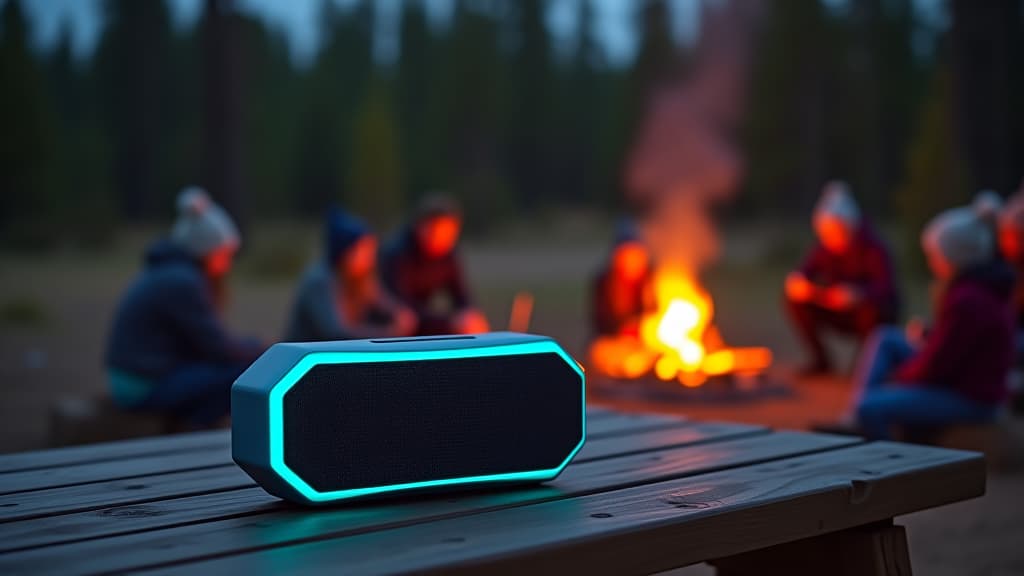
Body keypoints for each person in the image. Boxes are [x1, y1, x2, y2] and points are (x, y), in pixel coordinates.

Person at [850, 194, 1013, 440]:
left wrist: (898, 379)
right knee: (887, 338)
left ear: (954, 256)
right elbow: (954, 346)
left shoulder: (967, 299)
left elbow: (936, 367)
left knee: (869, 407)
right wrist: (932, 335)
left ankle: (890, 459)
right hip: (960, 378)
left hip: (971, 397)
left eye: (935, 254)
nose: (932, 262)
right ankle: (856, 419)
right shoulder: (974, 285)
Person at [105, 187, 263, 428]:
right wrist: (262, 353)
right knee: (243, 374)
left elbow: (204, 343)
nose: (228, 262)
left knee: (244, 358)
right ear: (206, 252)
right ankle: (193, 430)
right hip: (141, 383)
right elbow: (217, 347)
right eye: (224, 254)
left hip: (140, 373)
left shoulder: (172, 272)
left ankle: (192, 424)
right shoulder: (182, 282)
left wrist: (253, 347)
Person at [784, 181, 900, 375]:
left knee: (870, 310)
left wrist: (860, 294)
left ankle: (866, 364)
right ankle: (821, 361)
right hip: (837, 310)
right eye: (826, 233)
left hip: (870, 315)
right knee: (795, 301)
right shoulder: (825, 248)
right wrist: (798, 282)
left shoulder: (873, 248)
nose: (831, 238)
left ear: (849, 227)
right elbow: (804, 271)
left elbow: (886, 288)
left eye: (836, 232)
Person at [285, 208, 416, 342]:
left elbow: (384, 303)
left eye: (371, 249)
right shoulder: (319, 282)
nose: (370, 256)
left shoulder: (363, 278)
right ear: (345, 253)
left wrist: (402, 315)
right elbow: (335, 332)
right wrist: (388, 333)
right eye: (363, 250)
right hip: (308, 356)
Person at [381, 195, 489, 335]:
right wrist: (449, 322)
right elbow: (402, 304)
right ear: (419, 226)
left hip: (423, 319)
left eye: (447, 232)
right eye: (434, 230)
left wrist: (470, 315)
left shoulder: (448, 255)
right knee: (406, 321)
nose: (440, 238)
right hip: (391, 322)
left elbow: (461, 296)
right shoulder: (398, 254)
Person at [592, 223, 655, 339]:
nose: (631, 258)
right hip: (615, 339)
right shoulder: (605, 282)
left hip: (646, 339)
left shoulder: (654, 280)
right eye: (625, 252)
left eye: (635, 252)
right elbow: (600, 321)